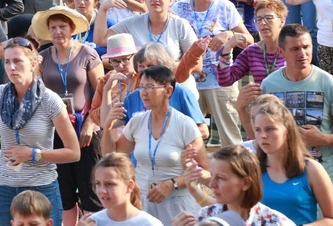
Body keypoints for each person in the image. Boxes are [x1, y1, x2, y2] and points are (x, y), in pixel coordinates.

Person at [0, 37, 81, 226]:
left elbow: (74, 152)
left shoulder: (50, 100)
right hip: (3, 187)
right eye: (7, 62)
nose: (11, 67)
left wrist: (33, 154)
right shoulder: (0, 93)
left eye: (17, 61)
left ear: (32, 64)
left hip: (41, 186)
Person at [238, 24, 333, 210]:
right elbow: (258, 136)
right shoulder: (269, 84)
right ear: (282, 52)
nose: (302, 53)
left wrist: (324, 139)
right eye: (295, 49)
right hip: (283, 178)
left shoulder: (330, 83)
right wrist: (241, 109)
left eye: (306, 47)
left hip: (325, 172)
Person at [101, 66, 210, 225]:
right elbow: (111, 155)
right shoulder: (137, 121)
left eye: (150, 87)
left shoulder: (185, 124)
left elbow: (205, 170)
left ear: (168, 91)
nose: (143, 92)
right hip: (143, 202)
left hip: (178, 204)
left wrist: (172, 184)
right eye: (141, 87)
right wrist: (108, 126)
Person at [32, 6, 104, 224]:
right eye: (53, 27)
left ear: (72, 28)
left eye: (62, 26)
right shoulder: (42, 58)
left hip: (86, 128)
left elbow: (99, 92)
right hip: (55, 129)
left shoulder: (87, 54)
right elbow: (37, 93)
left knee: (90, 187)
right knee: (63, 190)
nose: (57, 31)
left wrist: (90, 123)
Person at [170, 0, 252, 147]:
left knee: (230, 138)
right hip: (189, 81)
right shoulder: (179, 8)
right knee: (186, 137)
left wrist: (228, 34)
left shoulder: (224, 6)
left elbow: (248, 40)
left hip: (220, 79)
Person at [252, 95, 333, 224]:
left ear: (287, 131)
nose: (263, 136)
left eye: (270, 129)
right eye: (257, 130)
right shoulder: (252, 170)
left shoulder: (312, 169)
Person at [172, 145, 294, 226]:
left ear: (245, 183)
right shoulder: (206, 215)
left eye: (220, 178)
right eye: (212, 175)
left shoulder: (275, 222)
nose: (212, 184)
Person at [95, 0, 197, 64]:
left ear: (170, 0)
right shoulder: (132, 23)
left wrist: (167, 66)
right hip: (143, 84)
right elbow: (101, 39)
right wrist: (103, 9)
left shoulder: (180, 24)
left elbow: (197, 64)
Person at [217, 0, 287, 87]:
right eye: (259, 19)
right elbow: (225, 81)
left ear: (282, 21)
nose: (263, 23)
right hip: (263, 100)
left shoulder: (292, 48)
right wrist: (227, 49)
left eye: (268, 18)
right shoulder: (252, 51)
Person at [78, 153, 164, 226]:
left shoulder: (148, 223)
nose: (102, 191)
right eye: (98, 184)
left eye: (109, 184)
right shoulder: (93, 222)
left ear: (129, 186)